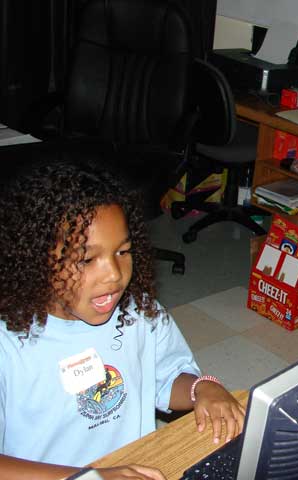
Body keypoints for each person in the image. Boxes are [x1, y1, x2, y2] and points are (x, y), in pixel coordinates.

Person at [0, 159, 245, 480]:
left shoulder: (140, 312)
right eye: (87, 259)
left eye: (123, 252)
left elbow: (166, 378)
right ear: (37, 260)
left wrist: (203, 388)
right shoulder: (8, 345)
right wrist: (91, 477)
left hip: (136, 466)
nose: (114, 275)